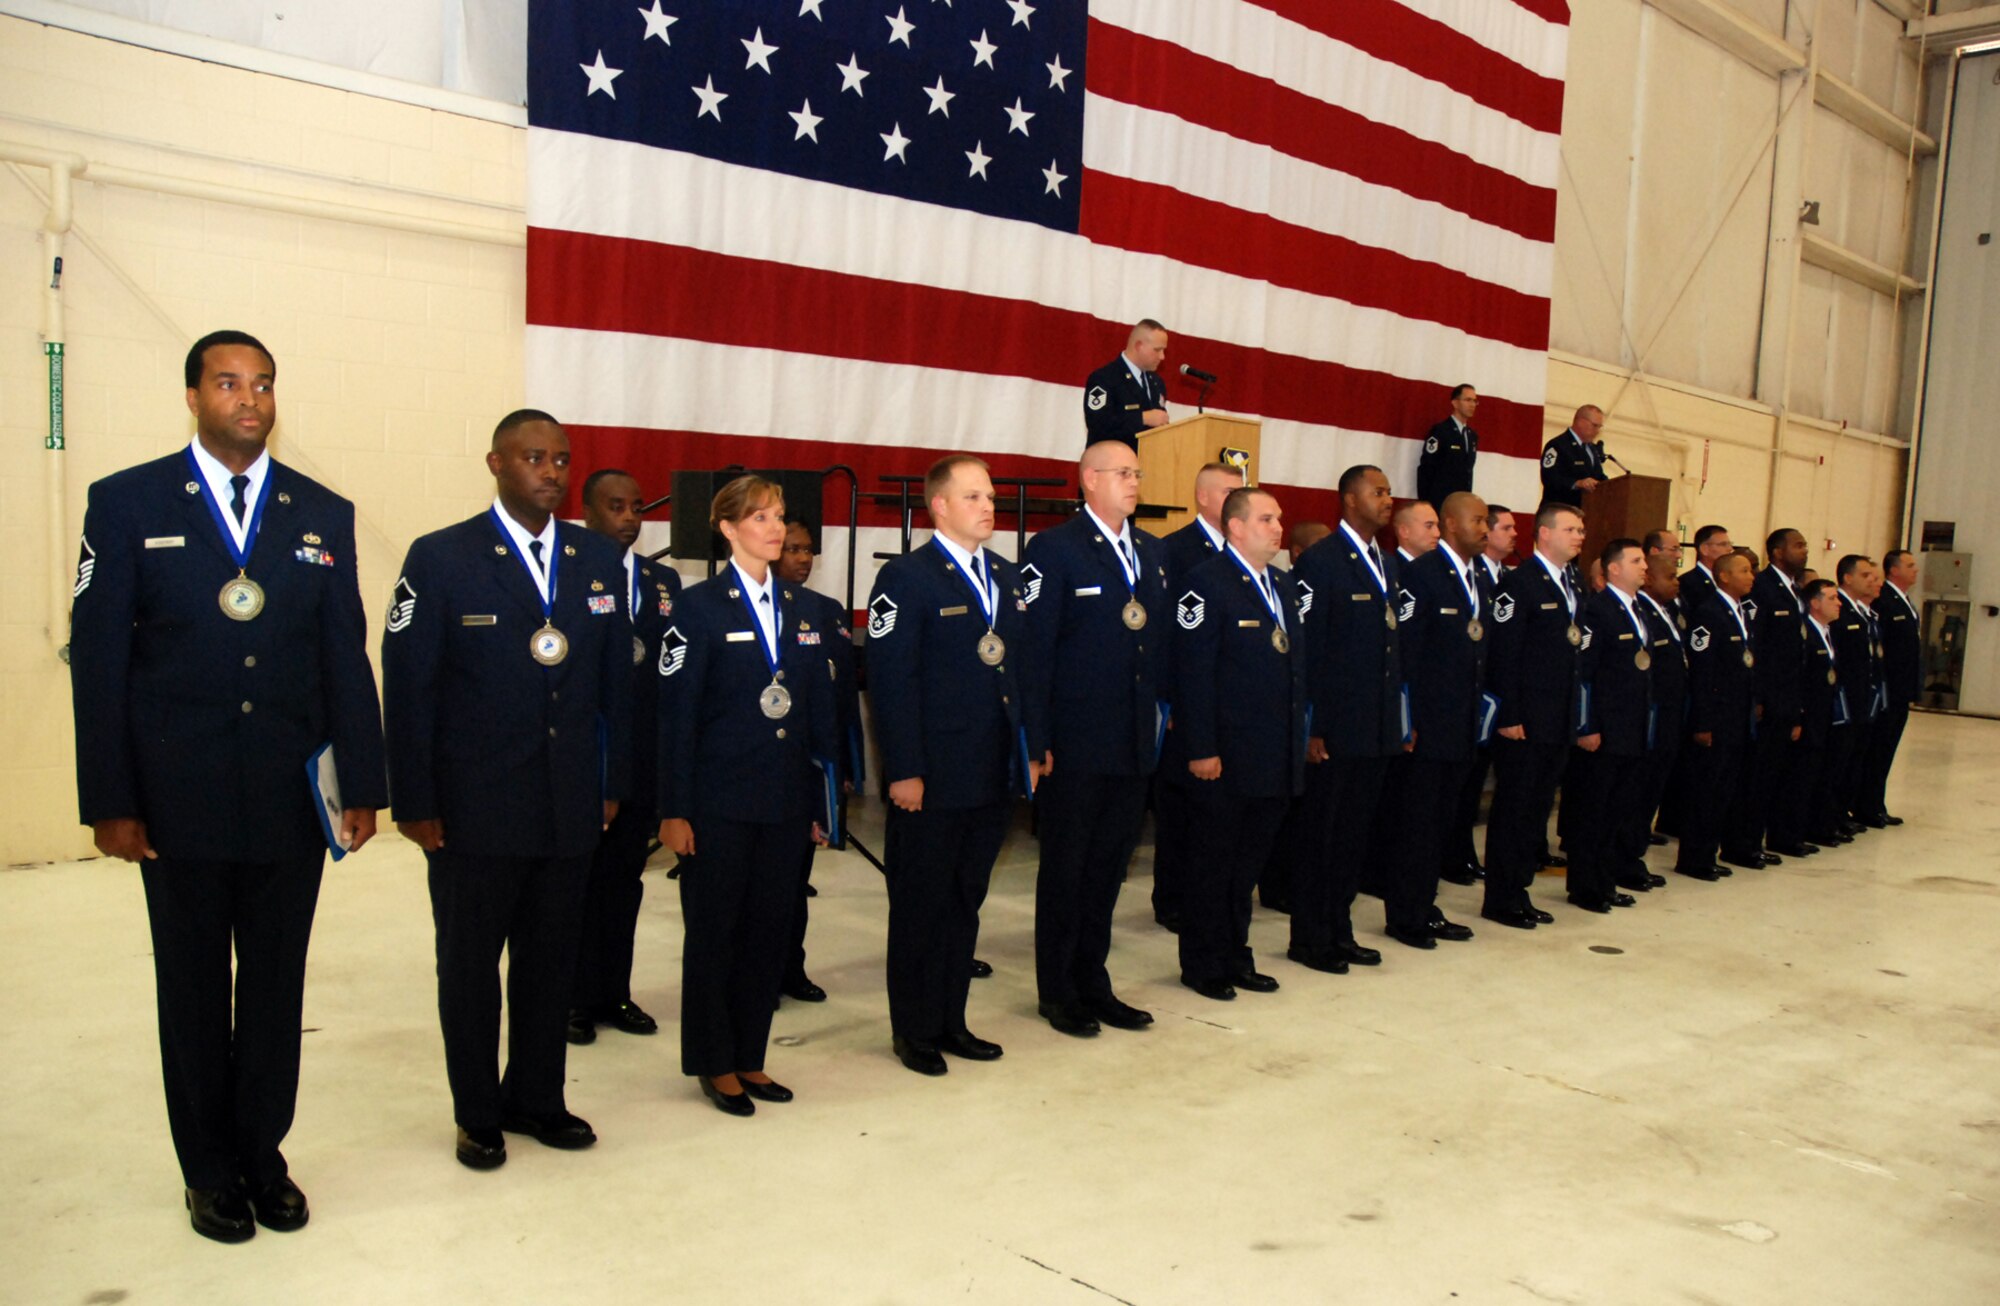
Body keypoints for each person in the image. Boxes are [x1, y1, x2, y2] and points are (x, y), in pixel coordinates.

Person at [68, 330, 386, 1243]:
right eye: (229, 383)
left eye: (263, 384)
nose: (249, 399)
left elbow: (344, 659)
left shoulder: (321, 510)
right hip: (179, 801)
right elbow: (100, 661)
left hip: (290, 799)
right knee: (196, 990)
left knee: (277, 988)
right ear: (193, 396)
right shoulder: (126, 503)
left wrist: (361, 782)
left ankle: (262, 1155)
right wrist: (111, 799)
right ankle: (207, 1171)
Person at [383, 409, 630, 1171]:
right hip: (474, 808)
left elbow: (615, 684)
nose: (550, 472)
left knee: (550, 962)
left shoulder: (594, 558)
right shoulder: (442, 557)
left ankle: (536, 1097)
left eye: (560, 459)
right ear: (496, 463)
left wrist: (611, 781)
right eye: (533, 458)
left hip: (567, 804)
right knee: (470, 966)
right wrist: (416, 801)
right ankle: (477, 1112)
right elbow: (410, 683)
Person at [657, 476, 837, 1116]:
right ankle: (713, 1060)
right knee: (715, 932)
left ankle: (751, 1055)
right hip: (719, 801)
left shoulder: (807, 608)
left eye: (780, 516)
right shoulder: (699, 607)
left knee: (768, 931)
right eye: (759, 517)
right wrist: (674, 809)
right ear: (728, 529)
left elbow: (817, 717)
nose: (774, 527)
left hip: (785, 800)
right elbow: (676, 716)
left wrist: (823, 803)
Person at [867, 455, 1030, 1075]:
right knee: (920, 905)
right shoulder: (907, 579)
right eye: (973, 497)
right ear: (938, 506)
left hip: (989, 772)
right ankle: (913, 1030)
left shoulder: (1008, 578)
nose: (989, 507)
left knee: (965, 901)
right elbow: (891, 681)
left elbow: (1021, 673)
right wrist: (903, 769)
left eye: (990, 496)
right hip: (930, 777)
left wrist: (1030, 752)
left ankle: (950, 1020)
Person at [1018, 441, 1170, 1037]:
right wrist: (1038, 739)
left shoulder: (1153, 553)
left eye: (1137, 473)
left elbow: (1156, 649)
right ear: (1088, 480)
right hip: (1074, 744)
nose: (1134, 482)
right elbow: (1033, 653)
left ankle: (1093, 980)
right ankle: (1058, 991)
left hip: (1132, 741)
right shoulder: (1054, 551)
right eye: (1123, 473)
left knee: (1109, 868)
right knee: (1067, 869)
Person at [1173, 487, 1308, 999]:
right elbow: (1194, 675)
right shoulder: (1205, 585)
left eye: (1278, 519)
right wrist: (1201, 747)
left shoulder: (1283, 585)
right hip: (1224, 757)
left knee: (1246, 866)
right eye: (1266, 519)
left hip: (1273, 755)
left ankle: (1236, 955)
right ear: (1235, 527)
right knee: (1213, 864)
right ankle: (1203, 962)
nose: (1278, 528)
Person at [566, 469, 680, 1045]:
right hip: (585, 758)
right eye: (616, 506)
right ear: (587, 511)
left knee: (624, 882)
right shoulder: (567, 570)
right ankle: (571, 999)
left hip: (641, 759)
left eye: (636, 507)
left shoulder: (663, 582)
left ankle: (614, 991)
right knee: (576, 884)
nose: (630, 518)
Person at [1289, 466, 1405, 973]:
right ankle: (1311, 938)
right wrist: (1313, 726)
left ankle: (1340, 928)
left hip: (1374, 725)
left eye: (1388, 492)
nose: (1387, 499)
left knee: (1354, 836)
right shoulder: (1322, 561)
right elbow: (1308, 649)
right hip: (1334, 727)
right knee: (1321, 836)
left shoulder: (1386, 562)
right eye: (1377, 492)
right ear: (1349, 501)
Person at [1387, 491, 1488, 947]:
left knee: (1442, 823)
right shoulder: (1421, 574)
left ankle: (1425, 905)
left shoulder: (1476, 577)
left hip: (1462, 724)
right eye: (1477, 520)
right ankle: (1406, 914)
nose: (1484, 529)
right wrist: (1409, 722)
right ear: (1450, 524)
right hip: (1427, 727)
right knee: (1417, 825)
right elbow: (1404, 655)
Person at [1480, 501, 1587, 929]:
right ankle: (1501, 897)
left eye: (1581, 529)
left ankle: (1519, 889)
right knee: (1515, 808)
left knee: (1538, 810)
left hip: (1557, 718)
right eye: (1571, 528)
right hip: (1524, 720)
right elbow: (1505, 655)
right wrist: (1509, 713)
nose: (1579, 535)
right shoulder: (1520, 583)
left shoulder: (1571, 582)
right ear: (1543, 534)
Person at [774, 519, 863, 1005]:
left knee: (796, 879)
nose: (802, 558)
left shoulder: (827, 613)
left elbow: (843, 695)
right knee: (764, 889)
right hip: (770, 765)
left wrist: (846, 764)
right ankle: (761, 975)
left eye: (808, 549)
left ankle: (792, 968)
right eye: (792, 549)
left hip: (814, 766)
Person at [1153, 462, 1243, 930]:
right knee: (1179, 807)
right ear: (1202, 497)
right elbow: (1170, 631)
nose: (1235, 498)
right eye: (1227, 490)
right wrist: (1169, 700)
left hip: (1230, 707)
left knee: (1216, 811)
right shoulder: (1177, 549)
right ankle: (1171, 898)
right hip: (1185, 702)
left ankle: (1206, 897)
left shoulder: (1244, 553)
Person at [1564, 539, 1654, 912]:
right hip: (1604, 729)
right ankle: (1586, 886)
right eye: (1636, 560)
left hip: (1631, 728)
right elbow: (1584, 671)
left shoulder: (1638, 608)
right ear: (1613, 569)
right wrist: (1587, 726)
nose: (1645, 566)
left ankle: (1605, 880)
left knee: (1617, 810)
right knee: (1594, 811)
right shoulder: (1597, 610)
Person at [1674, 551, 1757, 882]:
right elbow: (1703, 671)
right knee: (1706, 789)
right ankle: (1694, 857)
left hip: (1737, 716)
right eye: (1745, 571)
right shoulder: (1710, 613)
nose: (1752, 576)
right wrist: (1703, 722)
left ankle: (1709, 852)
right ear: (1724, 576)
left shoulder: (1738, 611)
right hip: (1717, 717)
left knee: (1724, 788)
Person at [1735, 528, 1812, 863]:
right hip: (1769, 700)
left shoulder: (1794, 590)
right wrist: (1760, 698)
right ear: (1777, 553)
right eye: (1798, 545)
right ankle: (1744, 843)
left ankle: (1769, 837)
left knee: (1777, 774)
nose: (1805, 550)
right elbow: (1757, 649)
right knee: (1758, 776)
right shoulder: (1763, 588)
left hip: (1788, 697)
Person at [1623, 558, 1685, 891]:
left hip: (1667, 716)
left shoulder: (1664, 610)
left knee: (1651, 792)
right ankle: (1627, 858)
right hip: (1649, 715)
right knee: (1638, 792)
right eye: (1670, 576)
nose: (1676, 582)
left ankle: (1635, 855)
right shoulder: (1642, 609)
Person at [1859, 548, 1920, 826]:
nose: (1915, 569)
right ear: (1894, 570)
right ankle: (1868, 805)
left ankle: (1875, 803)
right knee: (1878, 749)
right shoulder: (1885, 601)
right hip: (1888, 689)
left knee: (1887, 749)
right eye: (1909, 565)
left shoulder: (1904, 601)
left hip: (1902, 689)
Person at [1828, 556, 1885, 834]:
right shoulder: (1841, 612)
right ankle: (1828, 817)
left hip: (1864, 699)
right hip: (1845, 701)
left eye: (1874, 577)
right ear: (1848, 578)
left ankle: (1840, 813)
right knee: (1837, 763)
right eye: (1866, 575)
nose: (1873, 581)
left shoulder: (1864, 614)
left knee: (1853, 760)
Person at [1792, 579, 1849, 848]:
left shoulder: (1828, 633)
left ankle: (1813, 827)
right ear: (1814, 603)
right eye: (1832, 598)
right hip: (1809, 716)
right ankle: (1790, 834)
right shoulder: (1806, 634)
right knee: (1800, 778)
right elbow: (1799, 677)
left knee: (1818, 774)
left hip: (1826, 715)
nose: (1839, 603)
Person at [1083, 319, 1170, 450]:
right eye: (1157, 350)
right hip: (1111, 462)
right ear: (1139, 346)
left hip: (1148, 463)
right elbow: (1098, 424)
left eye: (1163, 350)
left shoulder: (1156, 382)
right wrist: (1142, 418)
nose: (1162, 356)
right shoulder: (1104, 378)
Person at [1416, 384, 1479, 508]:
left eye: (1475, 401)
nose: (1472, 405)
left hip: (1461, 504)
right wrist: (1426, 503)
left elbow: (1467, 472)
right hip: (1440, 502)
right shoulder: (1441, 431)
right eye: (1468, 400)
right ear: (1455, 403)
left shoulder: (1472, 436)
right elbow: (1426, 468)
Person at [1538, 405, 1608, 507]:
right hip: (1559, 509)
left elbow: (1599, 476)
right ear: (1580, 421)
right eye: (1594, 425)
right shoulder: (1557, 445)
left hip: (1586, 512)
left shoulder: (1592, 449)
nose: (1597, 431)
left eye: (1599, 427)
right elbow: (1549, 478)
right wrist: (1576, 483)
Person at [1678, 525, 1732, 616]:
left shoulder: (1728, 580)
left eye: (1730, 544)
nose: (1730, 549)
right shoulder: (1688, 582)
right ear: (1704, 549)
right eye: (1723, 544)